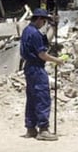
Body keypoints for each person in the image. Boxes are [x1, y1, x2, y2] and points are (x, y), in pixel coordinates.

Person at [20, 8, 66, 141]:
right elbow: (42, 54)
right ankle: (43, 129)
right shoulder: (34, 34)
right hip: (36, 68)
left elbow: (46, 41)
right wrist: (57, 60)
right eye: (44, 21)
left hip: (29, 68)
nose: (44, 24)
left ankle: (30, 128)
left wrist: (53, 27)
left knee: (32, 97)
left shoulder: (28, 31)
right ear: (39, 19)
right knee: (42, 97)